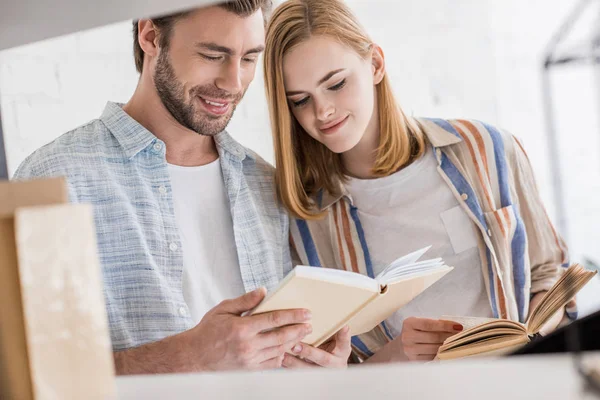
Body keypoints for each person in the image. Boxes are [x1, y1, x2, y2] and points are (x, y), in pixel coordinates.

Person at [13, 0, 350, 373]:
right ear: (151, 36)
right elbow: (29, 374)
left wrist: (318, 370)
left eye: (250, 58)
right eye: (212, 55)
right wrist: (187, 357)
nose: (233, 83)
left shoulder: (264, 184)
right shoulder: (53, 180)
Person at [263, 0, 575, 363]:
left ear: (376, 64)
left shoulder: (486, 149)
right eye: (300, 101)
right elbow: (331, 371)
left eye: (335, 84)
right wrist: (396, 355)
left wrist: (532, 334)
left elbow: (554, 274)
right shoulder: (305, 220)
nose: (322, 111)